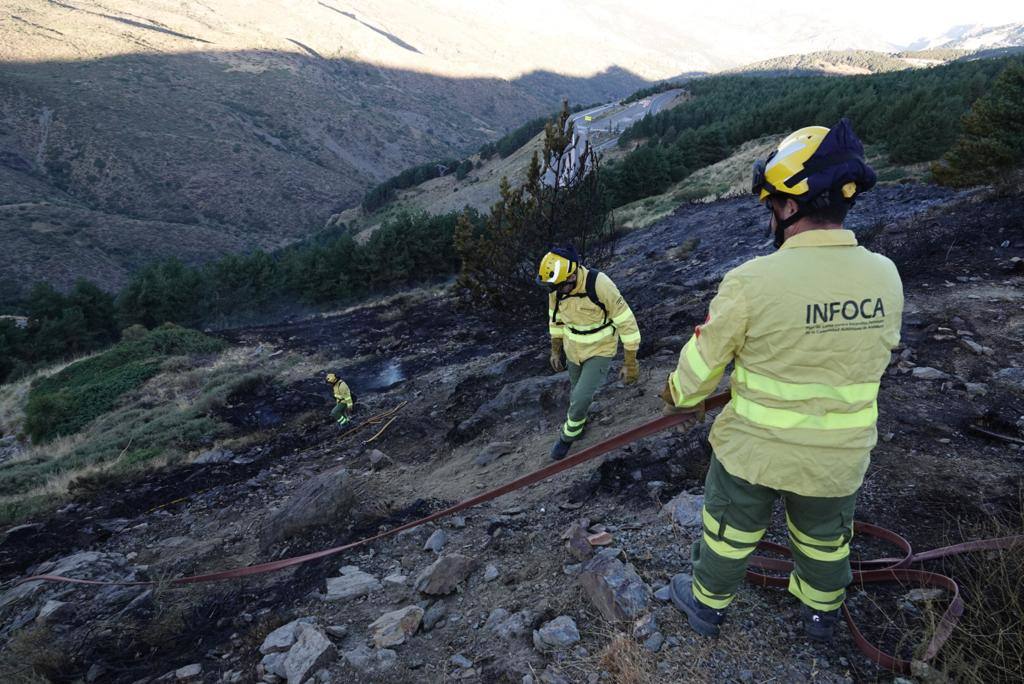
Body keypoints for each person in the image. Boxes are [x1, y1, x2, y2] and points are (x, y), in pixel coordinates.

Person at [662, 119, 904, 642]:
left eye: (771, 202)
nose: (770, 213)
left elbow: (701, 369)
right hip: (838, 455)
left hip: (754, 453)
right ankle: (821, 616)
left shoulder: (752, 281)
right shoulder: (886, 275)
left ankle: (707, 607)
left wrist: (680, 396)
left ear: (791, 205)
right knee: (824, 539)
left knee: (728, 533)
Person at [538, 245, 641, 461]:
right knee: (577, 393)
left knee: (580, 397)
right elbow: (555, 321)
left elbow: (627, 323)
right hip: (573, 350)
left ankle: (566, 438)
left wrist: (630, 361)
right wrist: (555, 350)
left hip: (601, 349)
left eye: (559, 286)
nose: (556, 291)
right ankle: (580, 423)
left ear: (573, 274)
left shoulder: (600, 284)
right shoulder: (556, 290)